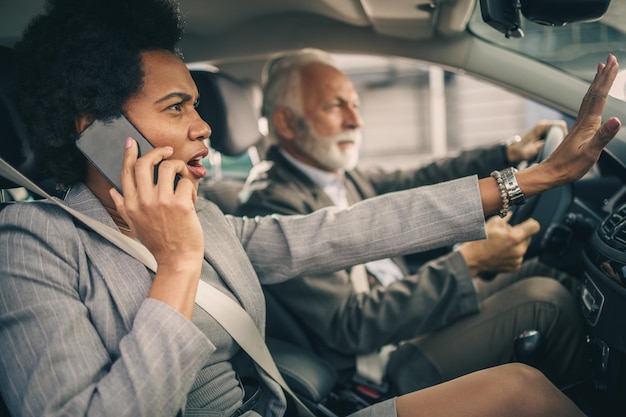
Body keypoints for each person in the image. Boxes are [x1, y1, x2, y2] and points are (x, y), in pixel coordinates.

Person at [0, 0, 619, 416]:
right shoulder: (31, 244)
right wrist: (178, 267)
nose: (204, 127)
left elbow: (349, 230)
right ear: (94, 126)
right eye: (176, 108)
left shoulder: (207, 218)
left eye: (196, 105)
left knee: (522, 391)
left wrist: (530, 180)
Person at [236, 48, 590, 395]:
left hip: (410, 320)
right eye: (334, 106)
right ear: (284, 121)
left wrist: (506, 154)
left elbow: (418, 180)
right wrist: (468, 264)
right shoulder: (272, 203)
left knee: (546, 270)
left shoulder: (336, 175)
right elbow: (351, 325)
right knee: (546, 302)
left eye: (355, 105)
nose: (355, 120)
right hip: (381, 361)